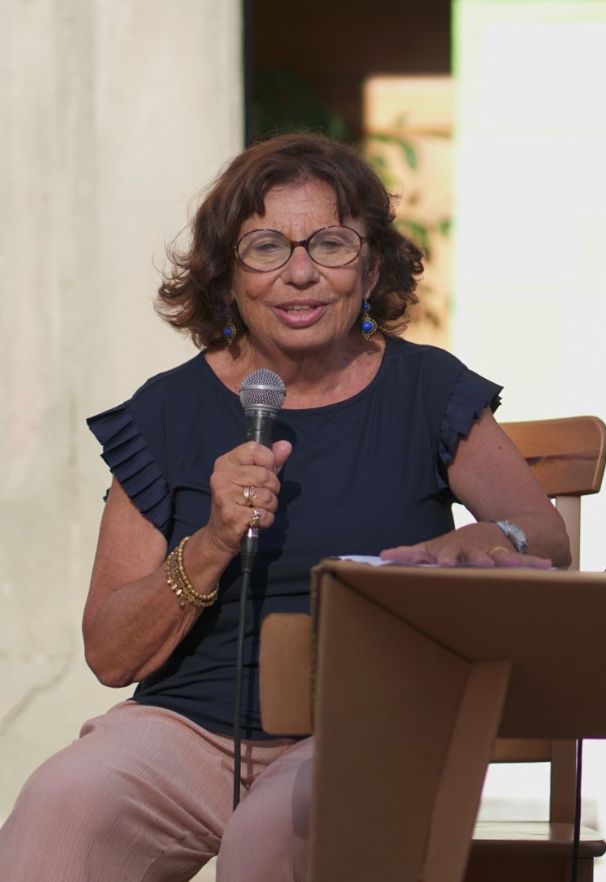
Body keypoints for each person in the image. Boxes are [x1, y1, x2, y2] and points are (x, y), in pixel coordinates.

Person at [0, 132, 568, 881]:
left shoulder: (426, 390)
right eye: (266, 248)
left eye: (330, 244)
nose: (301, 273)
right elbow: (111, 655)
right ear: (227, 275)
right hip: (186, 731)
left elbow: (548, 536)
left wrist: (489, 537)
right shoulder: (167, 412)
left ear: (370, 267)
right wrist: (211, 541)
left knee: (273, 835)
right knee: (60, 806)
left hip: (360, 725)